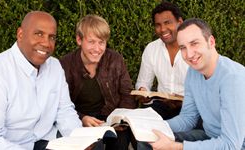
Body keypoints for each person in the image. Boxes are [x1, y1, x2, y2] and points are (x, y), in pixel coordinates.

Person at [150, 18, 245, 149]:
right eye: (183, 47)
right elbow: (188, 118)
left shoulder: (233, 78)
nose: (189, 54)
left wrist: (177, 147)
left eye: (194, 43)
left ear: (211, 42)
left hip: (235, 146)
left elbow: (231, 145)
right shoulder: (193, 73)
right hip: (210, 137)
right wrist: (154, 125)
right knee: (151, 139)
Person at [0, 11, 82, 150]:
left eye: (52, 37)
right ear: (20, 34)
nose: (46, 43)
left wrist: (80, 141)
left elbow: (64, 111)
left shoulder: (54, 66)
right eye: (39, 34)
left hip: (46, 141)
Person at [59, 14, 137, 150]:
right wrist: (81, 118)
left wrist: (120, 119)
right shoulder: (65, 64)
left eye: (101, 43)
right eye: (91, 42)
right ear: (79, 40)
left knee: (120, 143)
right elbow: (60, 105)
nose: (97, 49)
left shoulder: (115, 59)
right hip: (81, 119)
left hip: (111, 118)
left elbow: (127, 93)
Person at [135, 1, 188, 119]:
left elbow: (206, 89)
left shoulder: (193, 48)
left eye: (167, 23)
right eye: (158, 25)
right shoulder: (151, 49)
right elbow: (143, 82)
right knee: (139, 123)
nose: (162, 29)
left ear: (180, 22)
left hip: (190, 107)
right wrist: (143, 91)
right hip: (161, 105)